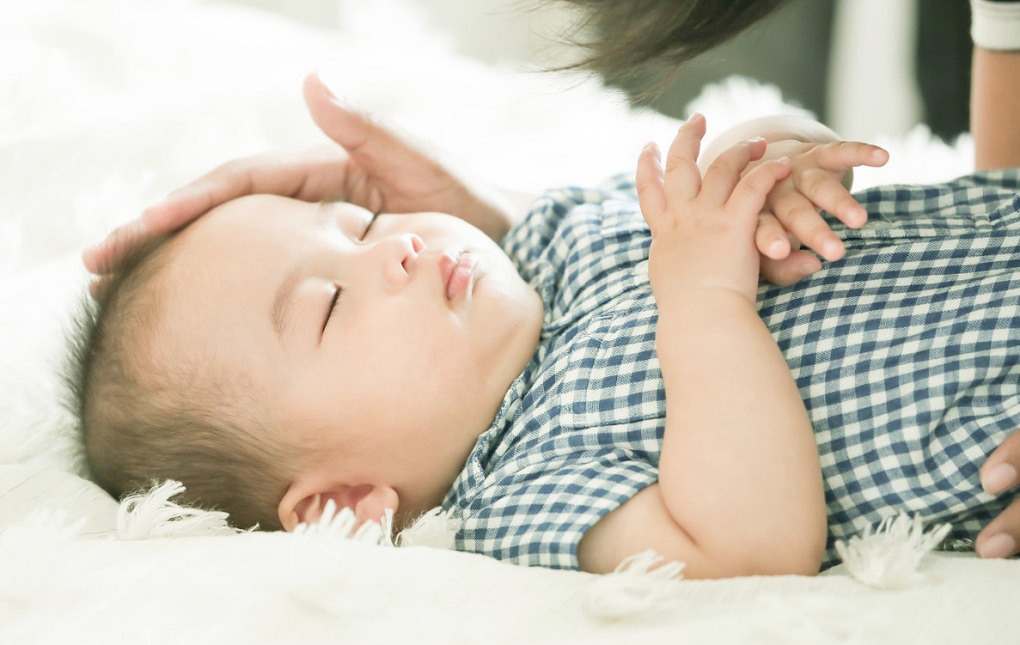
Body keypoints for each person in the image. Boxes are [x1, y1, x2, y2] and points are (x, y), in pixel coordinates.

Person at [79, 3, 1020, 561]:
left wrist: (780, 161)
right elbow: (745, 543)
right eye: (329, 305)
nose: (392, 248)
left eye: (362, 225)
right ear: (343, 504)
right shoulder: (522, 488)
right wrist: (705, 302)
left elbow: (750, 149)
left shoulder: (556, 236)